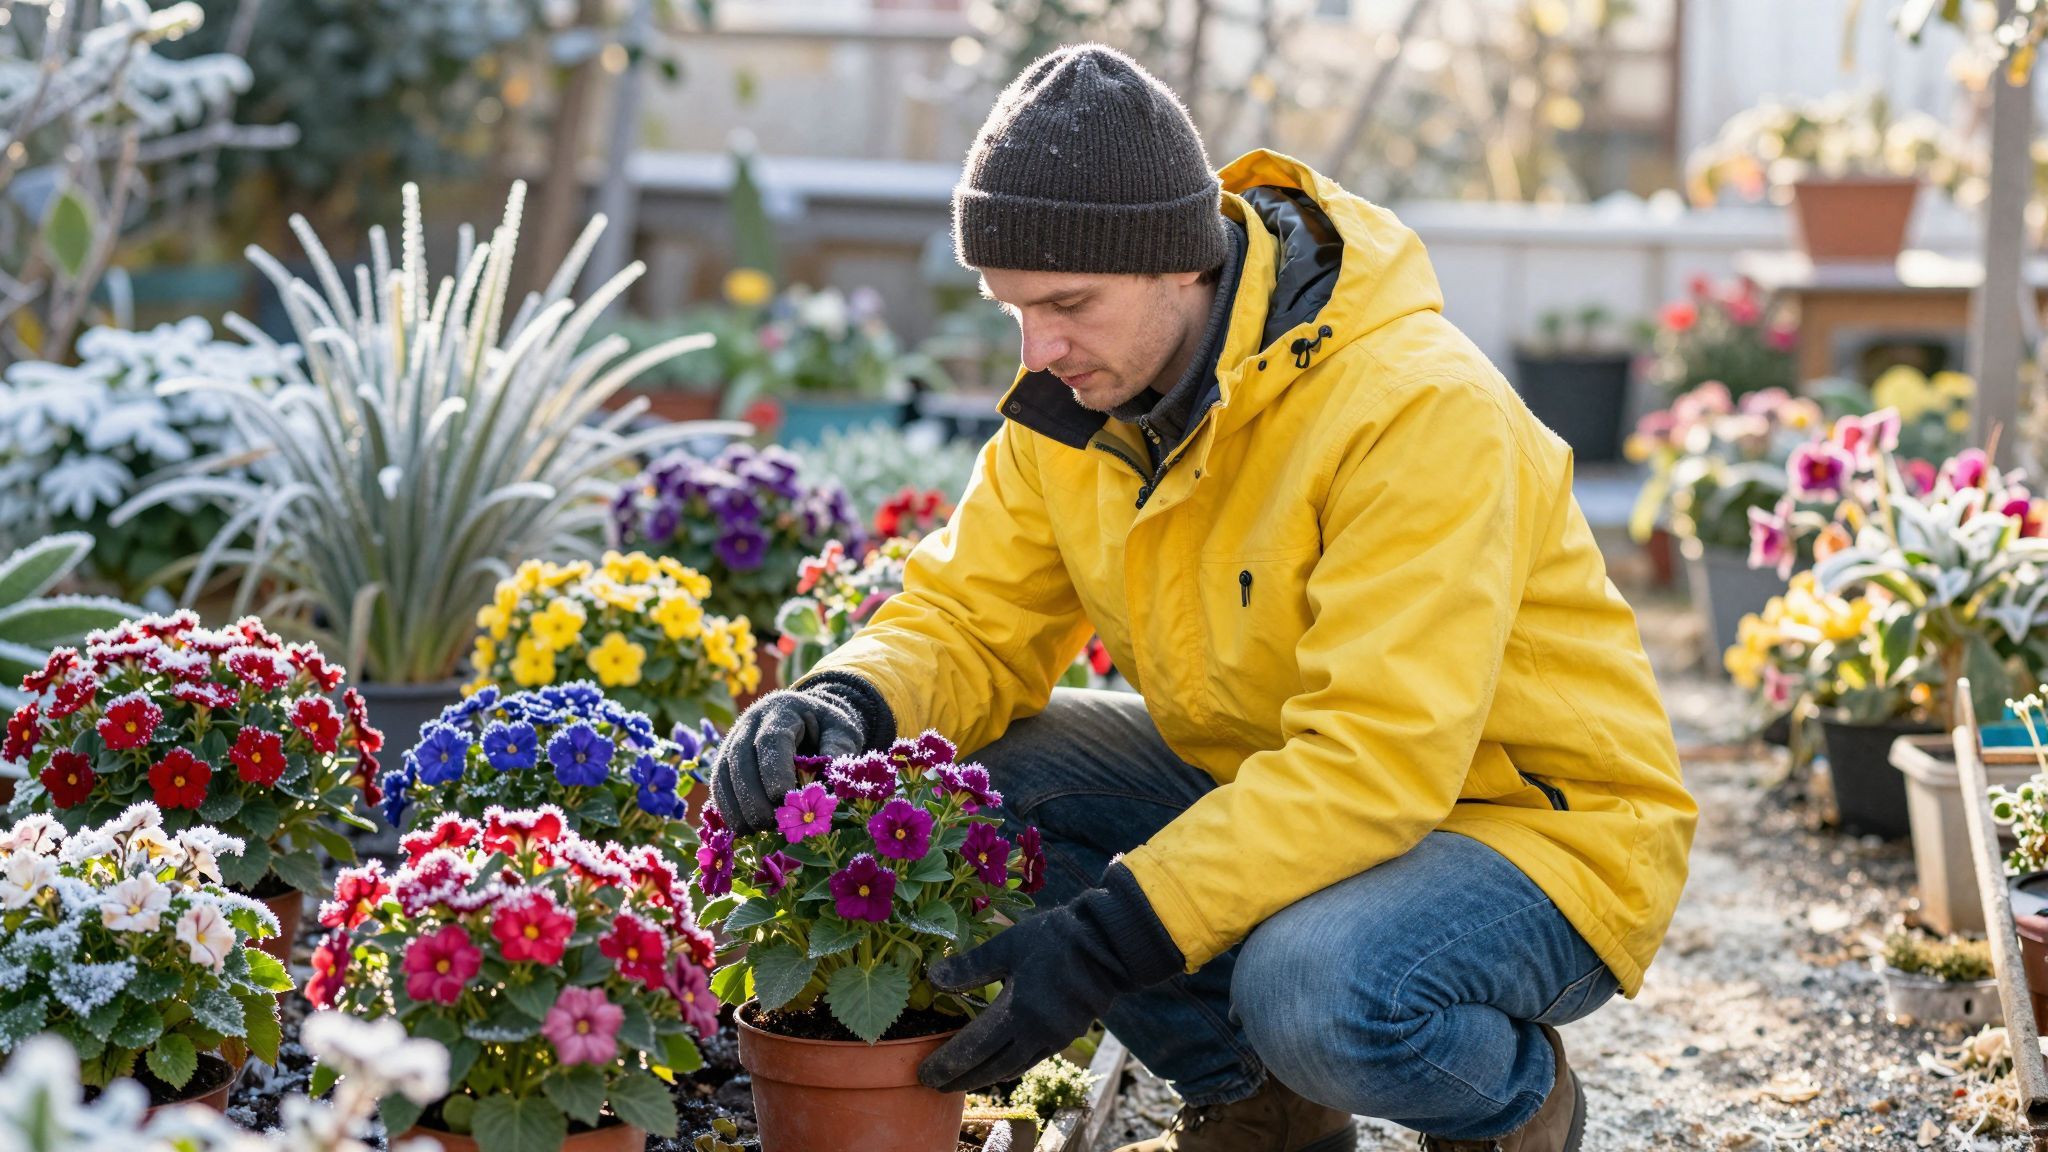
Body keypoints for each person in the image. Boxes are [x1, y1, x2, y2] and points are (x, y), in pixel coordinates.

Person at [708, 42, 1696, 1152]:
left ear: (1180, 262)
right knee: (972, 782)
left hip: (1526, 829)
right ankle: (1262, 1104)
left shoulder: (1412, 409)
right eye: (1012, 309)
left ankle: (1512, 1104)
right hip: (1289, 784)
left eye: (1068, 302)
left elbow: (1378, 760)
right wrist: (848, 701)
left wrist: (1106, 939)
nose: (1038, 348)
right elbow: (971, 620)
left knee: (1315, 992)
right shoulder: (1074, 409)